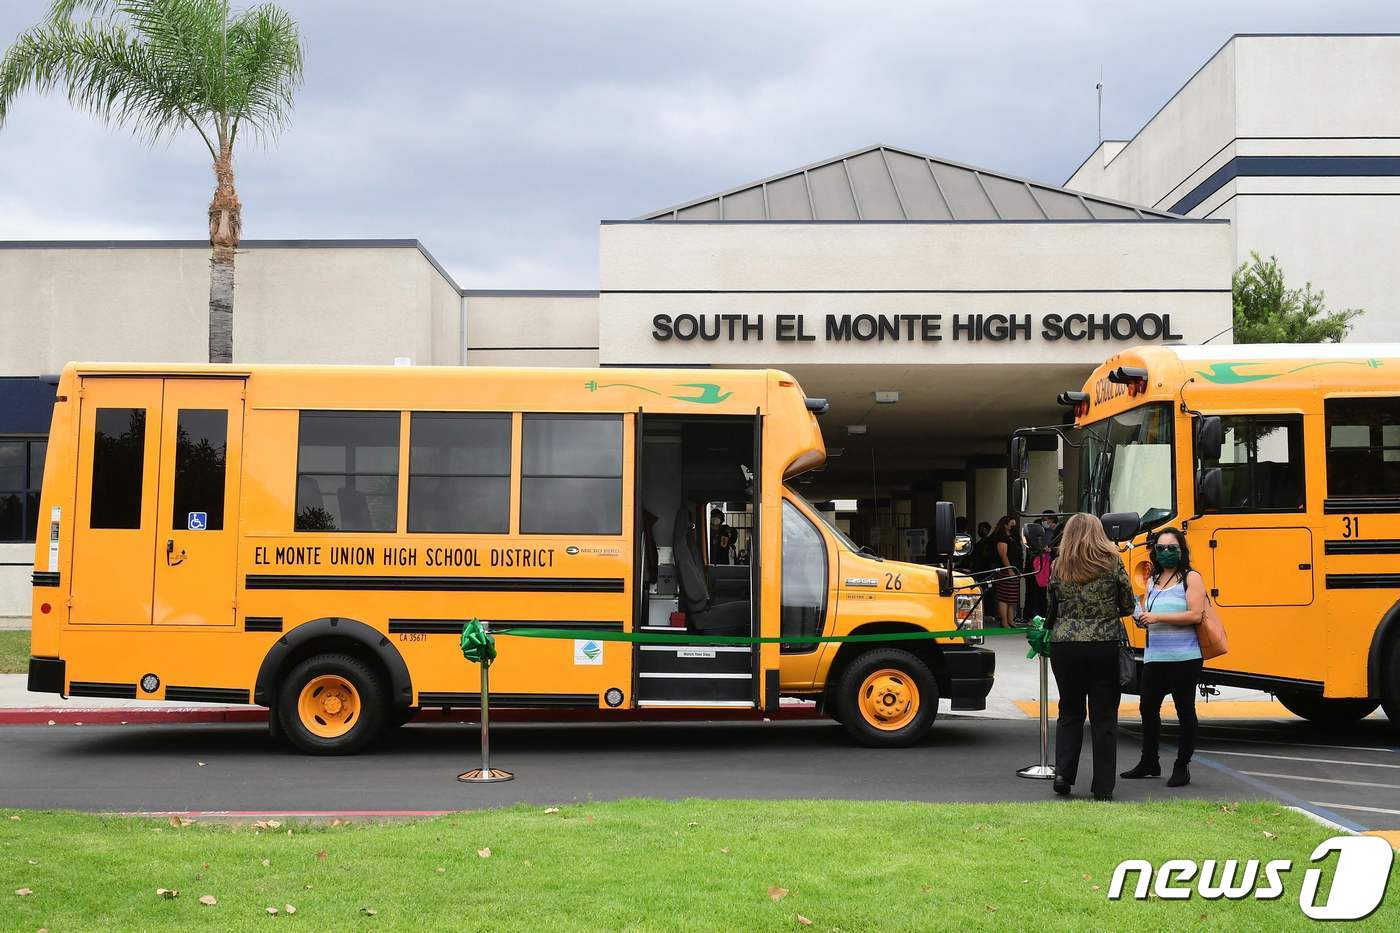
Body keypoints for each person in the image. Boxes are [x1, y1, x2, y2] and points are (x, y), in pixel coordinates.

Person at [1047, 513, 1135, 801]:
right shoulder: (1111, 562)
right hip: (1103, 643)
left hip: (1065, 644)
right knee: (1104, 716)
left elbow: (1051, 606)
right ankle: (1103, 786)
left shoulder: (1059, 565)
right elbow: (1127, 604)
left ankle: (1063, 774)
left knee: (1069, 710)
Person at [1122, 527, 1205, 788]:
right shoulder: (1152, 580)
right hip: (1155, 657)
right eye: (1161, 548)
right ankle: (1149, 761)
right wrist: (1143, 619)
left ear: (1182, 550)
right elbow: (1149, 612)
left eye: (1172, 548)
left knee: (1185, 712)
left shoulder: (1191, 578)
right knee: (1147, 709)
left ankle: (1182, 765)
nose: (1166, 552)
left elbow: (1195, 615)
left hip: (1184, 657)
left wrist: (1158, 617)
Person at [990, 515, 1023, 628]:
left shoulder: (1013, 536)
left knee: (1012, 597)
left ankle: (1011, 620)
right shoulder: (1001, 537)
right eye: (1011, 524)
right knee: (1004, 597)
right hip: (1006, 570)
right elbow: (1003, 555)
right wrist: (1009, 570)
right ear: (1005, 525)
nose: (1013, 526)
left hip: (1015, 569)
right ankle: (1004, 621)